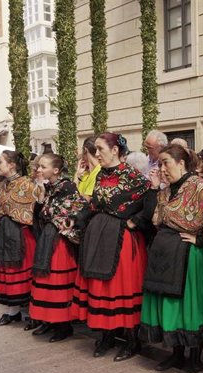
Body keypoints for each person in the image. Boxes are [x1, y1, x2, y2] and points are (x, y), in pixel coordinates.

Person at [139, 144, 203, 373]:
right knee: (173, 306)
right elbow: (155, 219)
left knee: (191, 308)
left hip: (189, 257)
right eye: (160, 163)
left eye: (166, 162)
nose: (162, 168)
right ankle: (177, 354)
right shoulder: (166, 191)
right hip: (167, 255)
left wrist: (198, 239)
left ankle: (194, 360)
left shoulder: (200, 187)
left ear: (181, 164)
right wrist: (155, 189)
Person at [72, 133, 154, 361]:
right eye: (95, 150)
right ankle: (107, 335)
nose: (96, 154)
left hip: (122, 241)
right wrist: (80, 217)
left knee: (123, 289)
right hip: (99, 238)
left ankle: (132, 340)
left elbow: (150, 204)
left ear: (115, 150)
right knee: (101, 287)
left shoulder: (134, 177)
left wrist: (135, 221)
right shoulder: (100, 176)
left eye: (100, 149)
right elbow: (96, 204)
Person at [29, 153, 86, 342]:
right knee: (46, 280)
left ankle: (62, 324)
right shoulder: (52, 186)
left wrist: (45, 208)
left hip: (59, 240)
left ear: (55, 170)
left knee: (56, 281)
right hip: (49, 237)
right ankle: (49, 320)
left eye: (43, 167)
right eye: (39, 166)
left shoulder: (67, 186)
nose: (39, 169)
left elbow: (68, 210)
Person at [0, 150, 39, 326]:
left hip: (22, 233)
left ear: (12, 165)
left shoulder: (27, 184)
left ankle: (34, 313)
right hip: (6, 231)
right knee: (8, 270)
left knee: (23, 270)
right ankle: (13, 311)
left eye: (1, 161)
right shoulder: (4, 184)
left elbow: (32, 210)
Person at [74, 136, 100, 200]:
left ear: (85, 150)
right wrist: (77, 175)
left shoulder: (99, 171)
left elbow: (85, 199)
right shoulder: (86, 174)